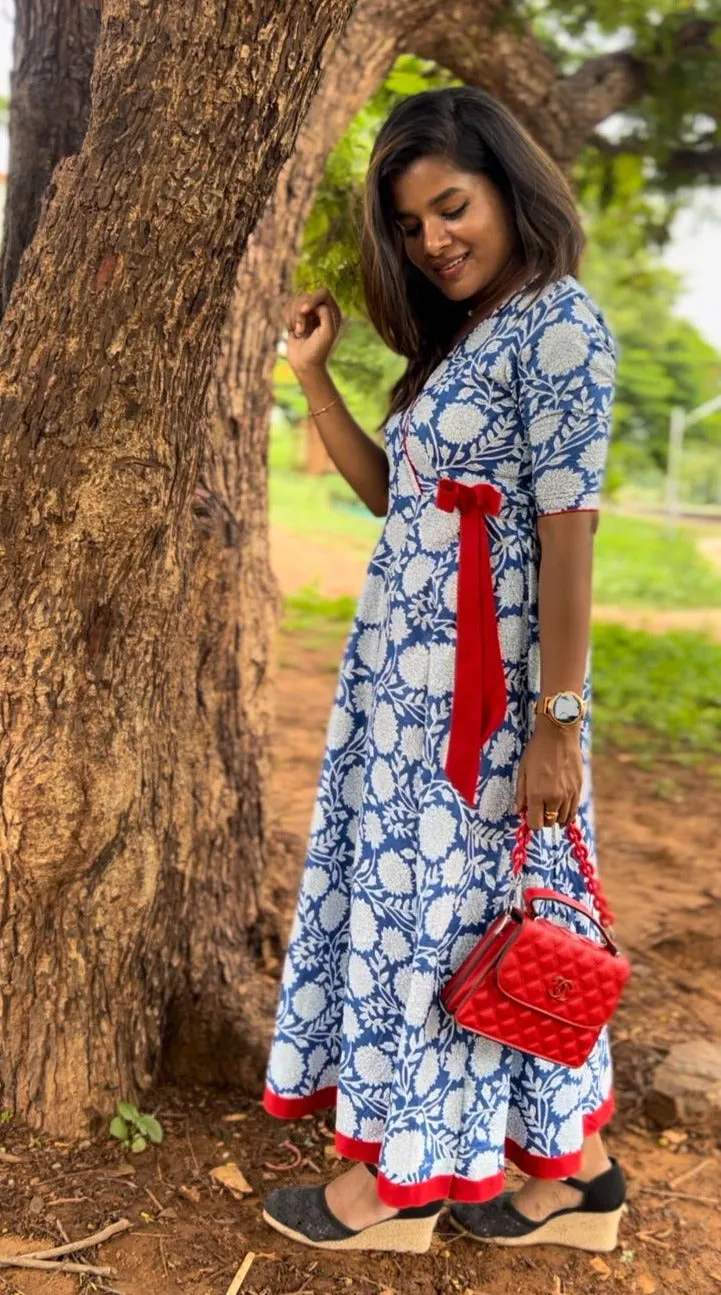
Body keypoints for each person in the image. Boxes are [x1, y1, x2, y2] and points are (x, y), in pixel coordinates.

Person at [261, 86, 626, 1255]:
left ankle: (399, 1187)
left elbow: (568, 535)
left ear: (509, 187)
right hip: (407, 693)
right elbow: (398, 503)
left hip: (493, 702)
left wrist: (557, 725)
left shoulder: (562, 324)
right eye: (413, 225)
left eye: (452, 207)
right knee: (488, 928)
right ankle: (584, 1181)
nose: (434, 240)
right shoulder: (466, 336)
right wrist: (314, 374)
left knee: (453, 928)